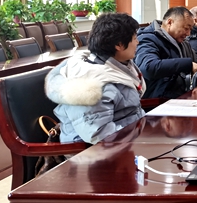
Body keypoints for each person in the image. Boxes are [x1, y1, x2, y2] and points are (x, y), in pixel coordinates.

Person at [45, 12, 146, 144]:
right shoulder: (91, 84)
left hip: (127, 136)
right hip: (93, 149)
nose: (138, 42)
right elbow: (100, 135)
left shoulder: (119, 65)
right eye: (134, 38)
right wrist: (142, 138)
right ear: (119, 45)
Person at [135, 6, 197, 99]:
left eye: (191, 29)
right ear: (170, 22)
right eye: (186, 28)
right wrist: (188, 65)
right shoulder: (147, 39)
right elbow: (148, 67)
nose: (188, 33)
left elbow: (191, 57)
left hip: (181, 93)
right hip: (159, 99)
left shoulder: (180, 39)